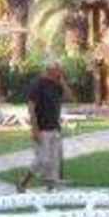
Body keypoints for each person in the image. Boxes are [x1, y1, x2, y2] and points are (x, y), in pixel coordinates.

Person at [17, 59, 72, 191]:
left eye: (60, 69)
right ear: (50, 70)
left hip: (55, 128)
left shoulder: (57, 85)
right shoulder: (38, 84)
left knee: (54, 161)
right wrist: (34, 129)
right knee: (42, 159)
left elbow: (69, 97)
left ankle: (51, 188)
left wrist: (62, 82)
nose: (60, 72)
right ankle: (23, 183)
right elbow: (31, 107)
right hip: (42, 128)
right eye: (58, 69)